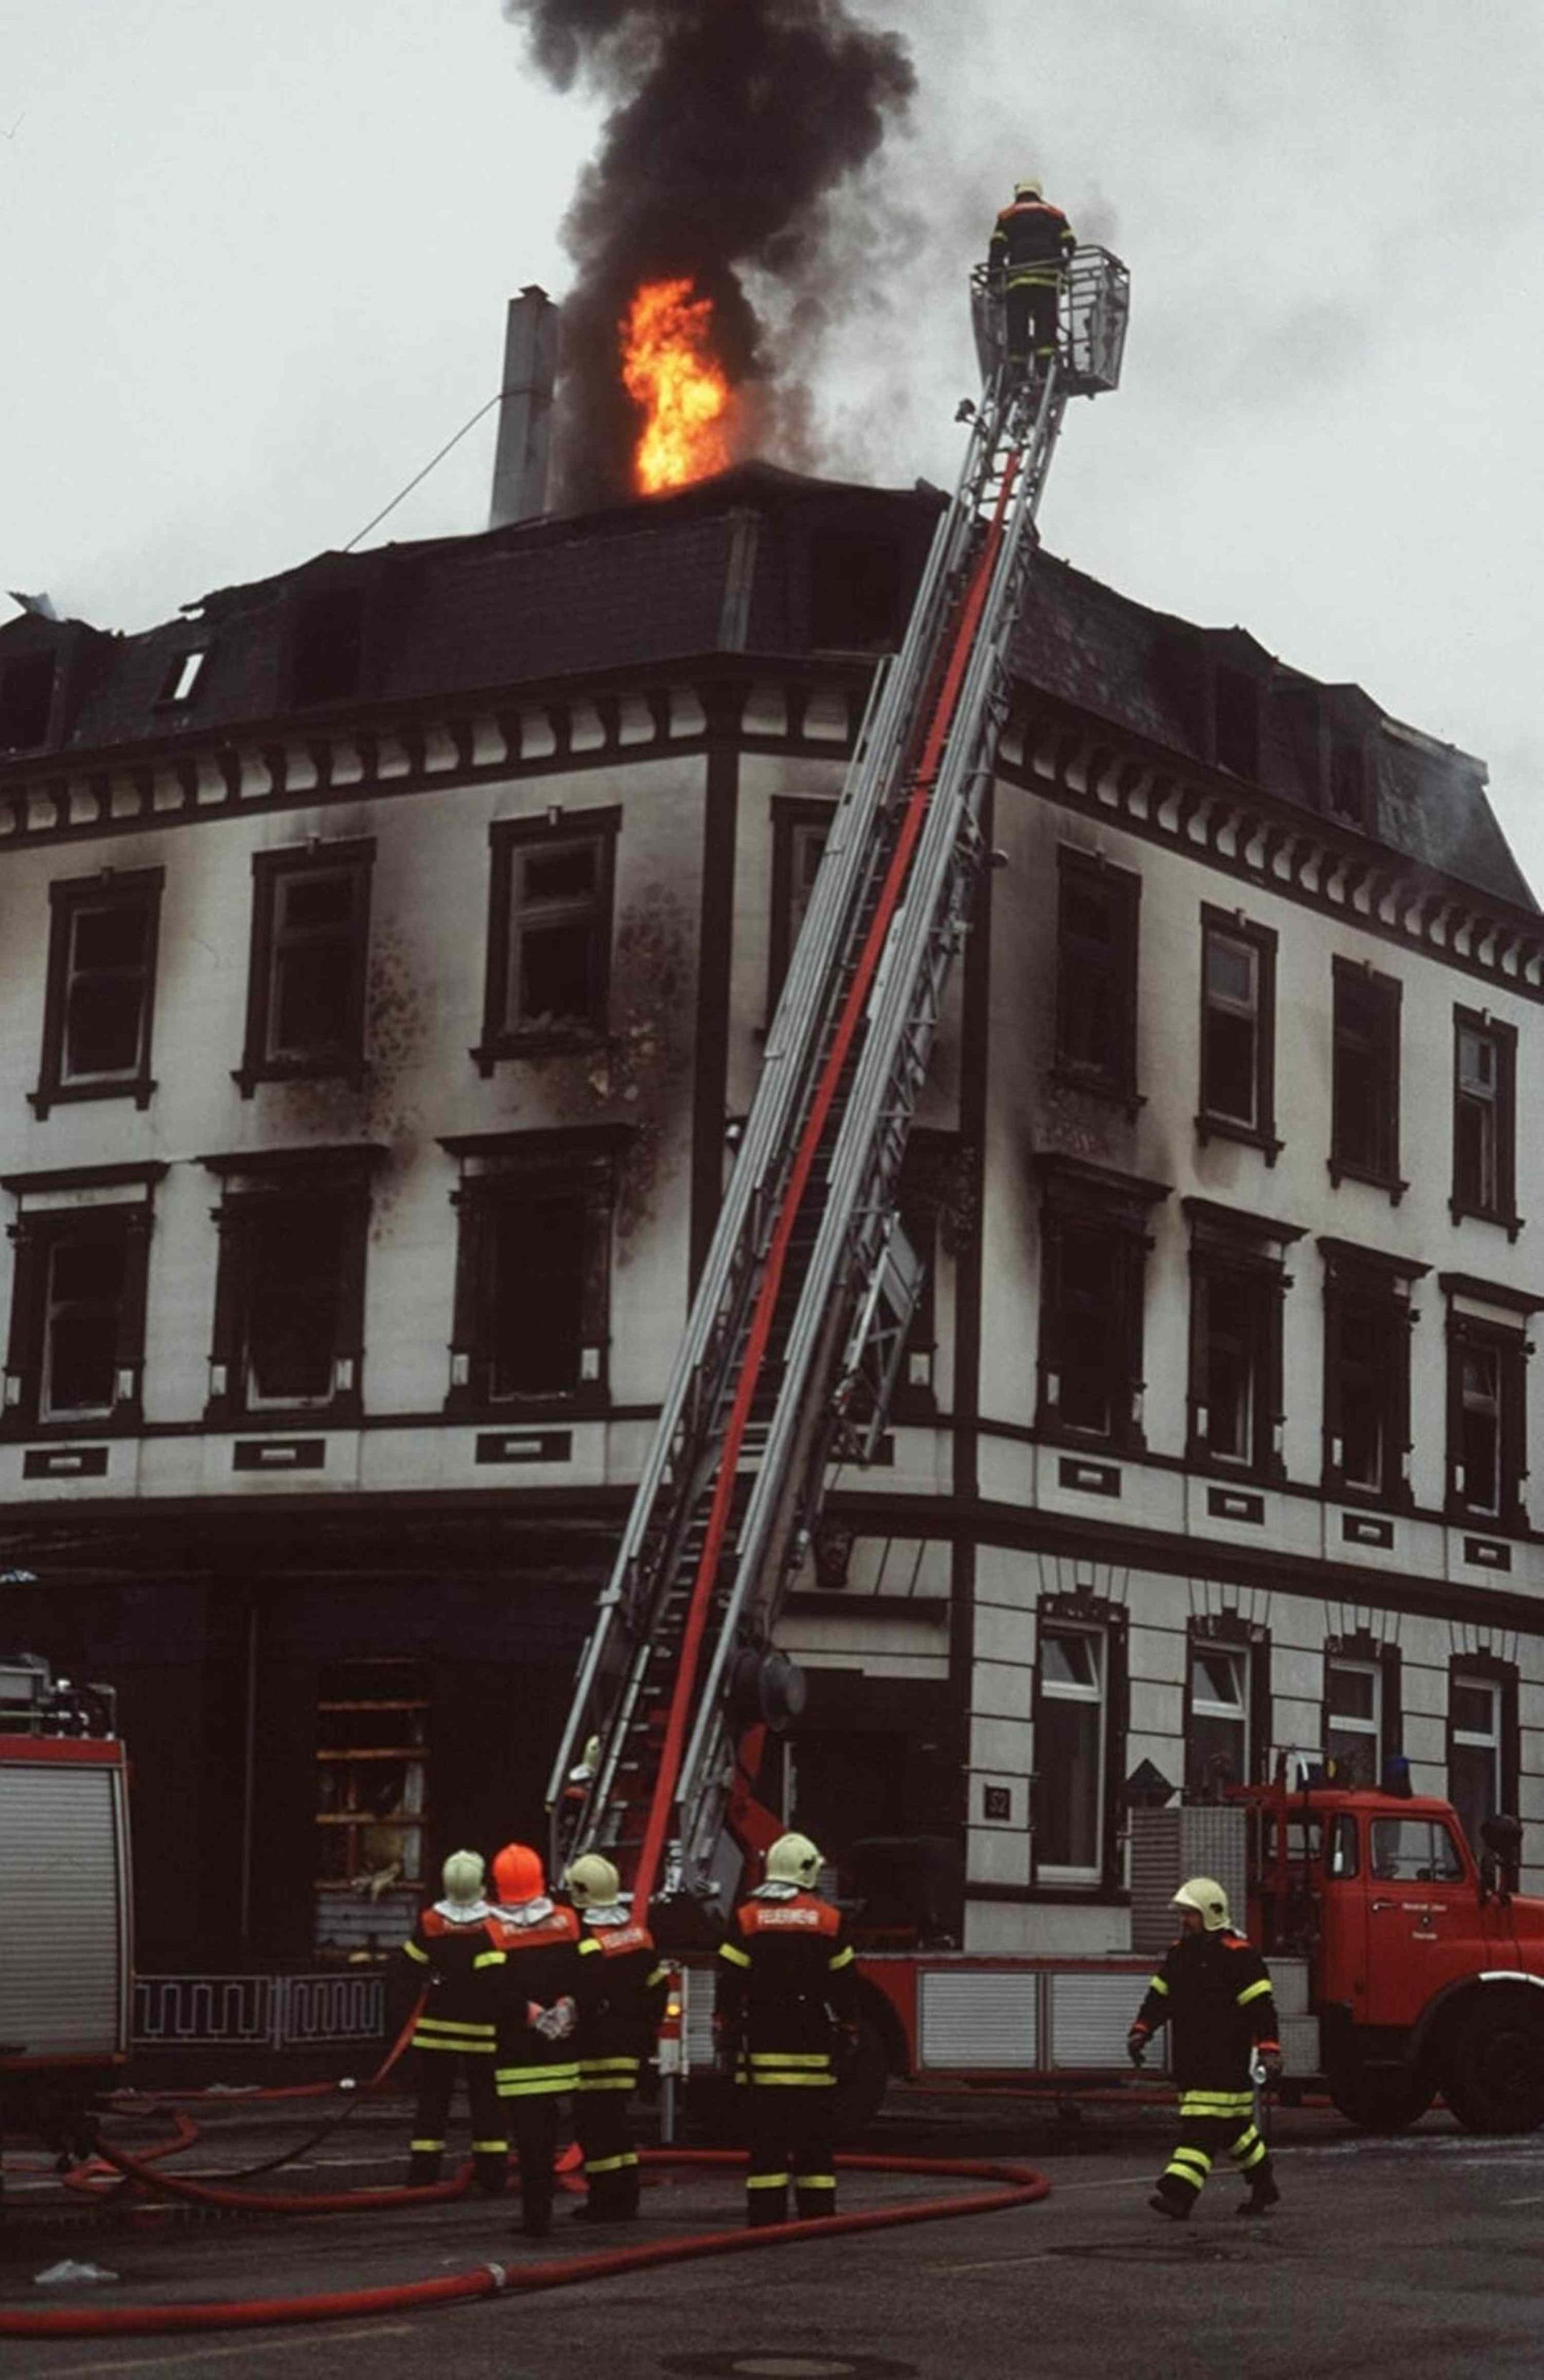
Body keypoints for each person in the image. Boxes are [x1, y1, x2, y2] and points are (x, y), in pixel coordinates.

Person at [715, 1830, 859, 2228]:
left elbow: (728, 1982)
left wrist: (725, 2028)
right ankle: (818, 2215)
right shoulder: (829, 1921)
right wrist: (848, 2030)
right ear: (809, 1871)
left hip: (761, 2046)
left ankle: (766, 2218)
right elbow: (846, 1986)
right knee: (815, 2140)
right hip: (813, 2046)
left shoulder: (748, 1918)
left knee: (767, 2143)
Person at [1127, 1875, 1283, 2221]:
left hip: (1225, 2060)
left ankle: (1179, 2194)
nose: (1185, 1921)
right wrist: (1141, 2030)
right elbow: (1159, 1998)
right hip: (1194, 2060)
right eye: (1183, 1914)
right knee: (1235, 2130)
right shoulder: (1181, 1955)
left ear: (1212, 1914)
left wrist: (1270, 2049)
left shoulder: (1240, 1957)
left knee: (1200, 2128)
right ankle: (1264, 2184)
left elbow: (1261, 2008)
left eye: (1190, 1914)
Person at [485, 1840, 585, 2240]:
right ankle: (544, 2213)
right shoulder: (568, 1920)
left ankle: (536, 2218)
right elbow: (585, 1971)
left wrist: (530, 2015)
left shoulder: (490, 1930)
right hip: (562, 2052)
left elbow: (491, 1989)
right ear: (541, 1879)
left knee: (530, 2143)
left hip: (519, 2055)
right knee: (550, 2133)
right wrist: (566, 2007)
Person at [565, 1852, 670, 2223]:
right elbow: (658, 1990)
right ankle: (626, 2198)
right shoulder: (638, 1934)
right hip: (632, 2046)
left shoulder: (588, 1941)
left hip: (598, 2049)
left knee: (595, 2127)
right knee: (616, 2124)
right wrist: (645, 2032)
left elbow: (585, 1999)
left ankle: (606, 2201)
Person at [397, 1847, 507, 2193]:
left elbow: (407, 1968)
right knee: (487, 2103)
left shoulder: (430, 1922)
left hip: (435, 2032)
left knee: (433, 2102)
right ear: (481, 1885)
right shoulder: (493, 1924)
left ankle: (422, 2174)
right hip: (482, 2032)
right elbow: (503, 1977)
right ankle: (492, 2177)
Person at [988, 175, 1077, 377]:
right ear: (1038, 193)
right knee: (1046, 323)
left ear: (1018, 193)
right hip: (1047, 280)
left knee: (1017, 325)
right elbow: (1070, 242)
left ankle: (1018, 369)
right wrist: (1063, 265)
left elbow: (997, 247)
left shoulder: (1007, 215)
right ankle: (1044, 367)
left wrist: (994, 277)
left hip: (1018, 281)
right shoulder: (1055, 214)